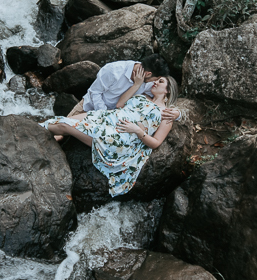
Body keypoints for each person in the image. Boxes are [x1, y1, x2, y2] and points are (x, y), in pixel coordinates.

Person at [41, 75, 179, 197]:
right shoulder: (143, 95)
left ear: (168, 90)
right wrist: (137, 84)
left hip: (119, 135)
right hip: (107, 117)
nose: (155, 82)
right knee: (64, 122)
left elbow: (156, 143)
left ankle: (32, 133)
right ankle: (33, 133)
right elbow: (120, 104)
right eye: (157, 80)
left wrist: (138, 130)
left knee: (66, 126)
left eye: (160, 82)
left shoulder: (167, 114)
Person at [74, 54, 180, 123]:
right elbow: (95, 92)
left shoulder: (149, 84)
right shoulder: (113, 70)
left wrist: (178, 114)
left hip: (114, 118)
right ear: (148, 74)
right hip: (89, 105)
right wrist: (104, 115)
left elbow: (161, 99)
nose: (155, 82)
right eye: (155, 79)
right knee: (61, 129)